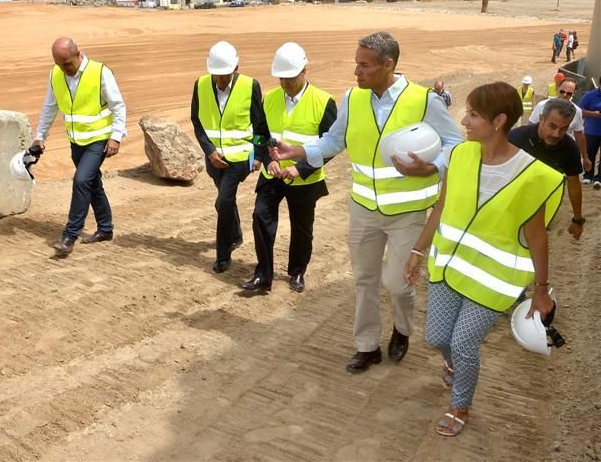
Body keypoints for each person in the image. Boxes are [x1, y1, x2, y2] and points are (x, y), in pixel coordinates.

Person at [271, 31, 464, 373]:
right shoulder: (353, 98)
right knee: (364, 280)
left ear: (388, 65)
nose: (356, 72)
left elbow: (454, 144)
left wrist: (433, 166)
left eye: (364, 65)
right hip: (363, 208)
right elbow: (332, 142)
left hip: (407, 212)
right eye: (355, 64)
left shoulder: (423, 100)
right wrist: (297, 152)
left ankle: (402, 330)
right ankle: (367, 346)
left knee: (398, 283)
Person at [404, 82, 564, 437]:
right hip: (449, 267)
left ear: (499, 121)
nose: (464, 120)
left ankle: (460, 404)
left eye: (473, 114)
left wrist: (541, 291)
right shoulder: (460, 155)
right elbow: (442, 206)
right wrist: (418, 250)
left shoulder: (532, 175)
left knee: (463, 344)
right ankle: (454, 367)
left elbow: (537, 236)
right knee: (436, 337)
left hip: (492, 281)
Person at [240, 42, 337, 295]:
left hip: (305, 178)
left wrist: (301, 169)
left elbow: (331, 146)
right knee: (261, 218)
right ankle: (263, 275)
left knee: (302, 228)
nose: (285, 83)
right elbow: (259, 136)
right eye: (281, 78)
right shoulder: (269, 98)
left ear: (305, 70)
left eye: (290, 78)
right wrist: (267, 158)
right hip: (272, 175)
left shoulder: (324, 101)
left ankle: (297, 271)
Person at [34, 37, 126, 257]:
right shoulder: (56, 74)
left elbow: (118, 106)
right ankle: (105, 229)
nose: (64, 68)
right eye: (59, 64)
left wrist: (116, 137)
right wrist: (39, 136)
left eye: (67, 63)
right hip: (76, 140)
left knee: (81, 180)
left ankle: (70, 235)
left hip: (99, 139)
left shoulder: (100, 71)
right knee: (92, 184)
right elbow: (50, 106)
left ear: (78, 54)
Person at [191, 41, 265, 273]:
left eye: (226, 75)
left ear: (236, 67)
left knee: (223, 201)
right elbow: (197, 121)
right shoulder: (200, 85)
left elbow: (260, 124)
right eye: (217, 75)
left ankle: (223, 255)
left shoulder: (250, 86)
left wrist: (259, 155)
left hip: (240, 158)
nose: (221, 79)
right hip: (214, 160)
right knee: (224, 201)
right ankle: (235, 235)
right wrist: (209, 151)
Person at [509, 98, 585, 240]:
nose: (556, 134)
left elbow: (574, 184)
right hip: (509, 202)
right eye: (552, 126)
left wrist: (577, 220)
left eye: (564, 129)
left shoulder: (570, 148)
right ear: (541, 119)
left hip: (541, 208)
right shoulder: (516, 137)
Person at [528, 77, 591, 172]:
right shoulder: (542, 105)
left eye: (569, 93)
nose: (565, 95)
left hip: (562, 153)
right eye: (562, 91)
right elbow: (530, 128)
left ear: (574, 93)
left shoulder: (577, 111)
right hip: (539, 150)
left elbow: (579, 135)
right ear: (557, 89)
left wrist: (585, 157)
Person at [578, 77, 601, 188]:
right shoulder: (590, 95)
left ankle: (599, 178)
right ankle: (588, 175)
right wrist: (594, 114)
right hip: (591, 131)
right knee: (589, 154)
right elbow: (579, 110)